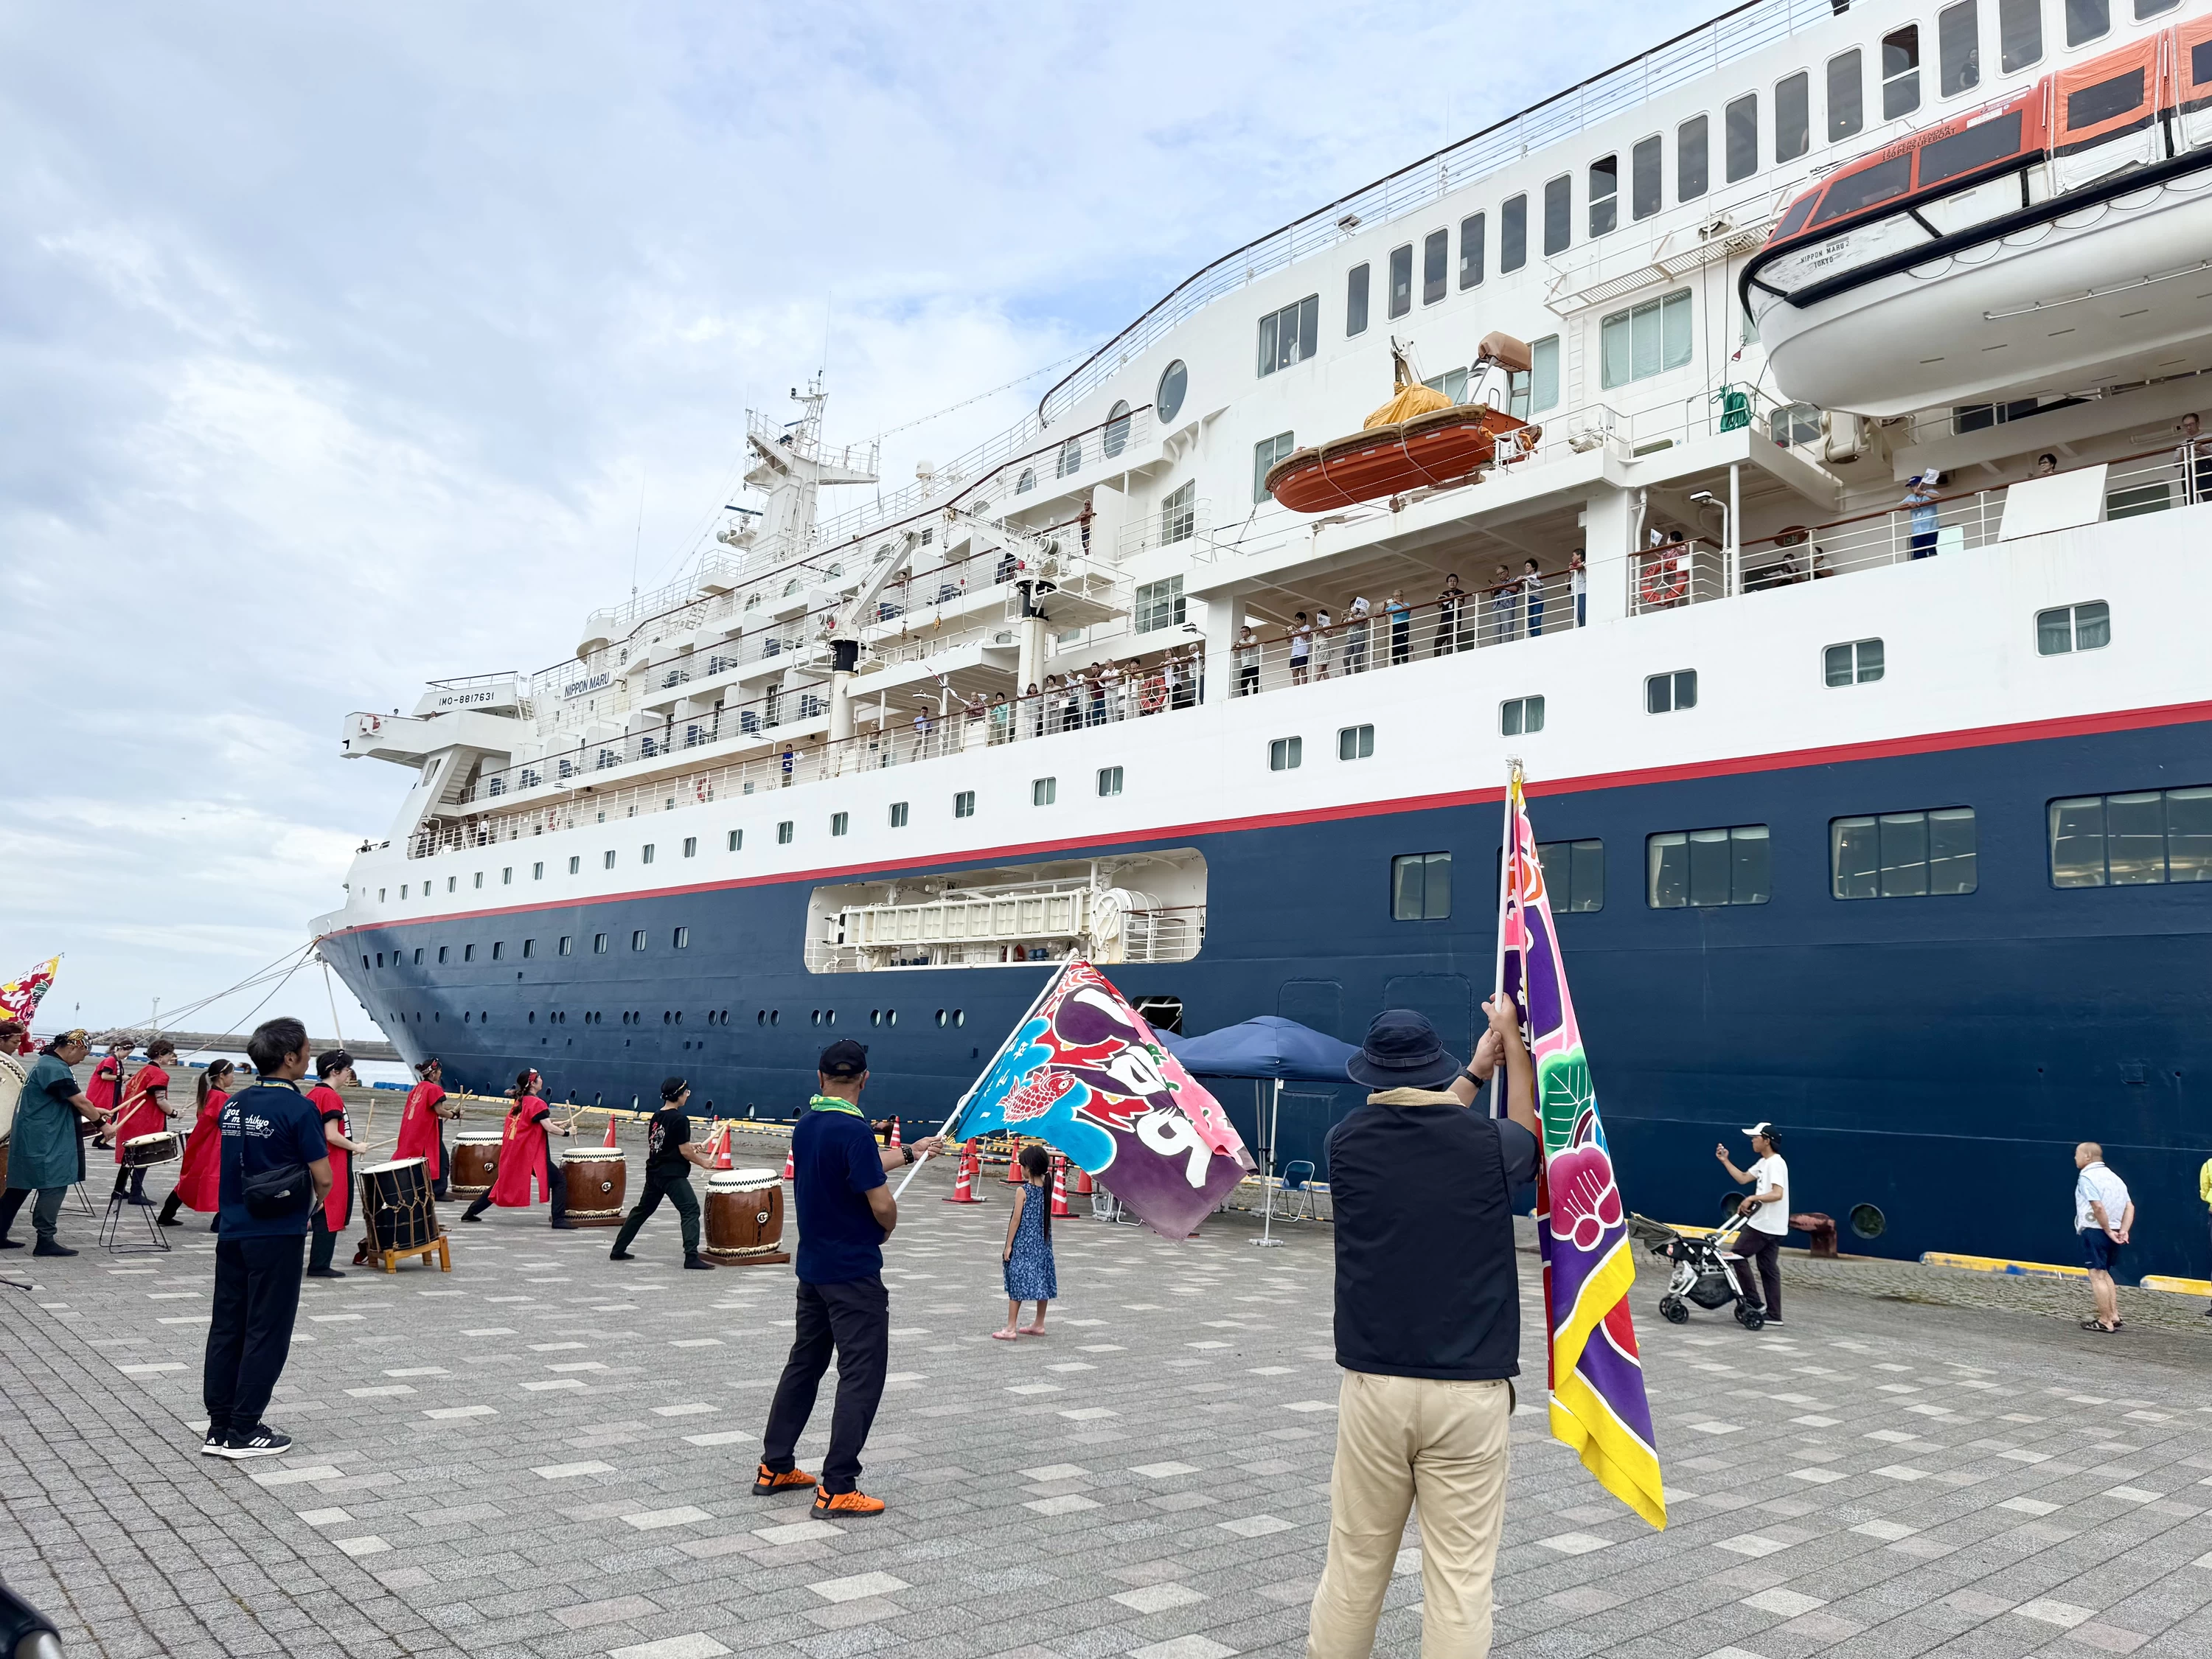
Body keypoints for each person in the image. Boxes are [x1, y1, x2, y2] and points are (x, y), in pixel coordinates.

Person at [1307, 997, 1538, 1659]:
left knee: (1354, 1567)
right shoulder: (1490, 1148)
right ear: (1436, 1068)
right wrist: (1509, 1045)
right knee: (1461, 1579)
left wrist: (1475, 1074)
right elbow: (1519, 1134)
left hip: (1376, 1385)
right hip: (1469, 1391)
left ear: (1369, 1076)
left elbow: (1423, 1129)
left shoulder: (1343, 1144)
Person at [756, 1040, 942, 1517]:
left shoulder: (809, 1125)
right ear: (865, 1079)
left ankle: (774, 1465)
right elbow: (879, 1200)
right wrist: (887, 1224)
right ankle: (838, 1485)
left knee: (805, 1365)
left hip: (814, 1270)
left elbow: (850, 1168)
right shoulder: (856, 1130)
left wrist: (908, 1152)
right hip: (853, 1274)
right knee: (861, 1374)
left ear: (820, 1079)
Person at [202, 1017, 332, 1458]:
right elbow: (325, 1177)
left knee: (227, 1325)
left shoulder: (234, 1104)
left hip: (234, 1228)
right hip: (277, 1231)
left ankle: (218, 1425)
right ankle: (243, 1430)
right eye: (307, 1049)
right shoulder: (300, 1108)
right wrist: (314, 1205)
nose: (310, 1055)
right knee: (267, 1328)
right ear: (291, 1057)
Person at [0, 1029, 108, 1255]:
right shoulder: (54, 1068)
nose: (82, 1060)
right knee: (53, 1185)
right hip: (45, 1140)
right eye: (83, 1054)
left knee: (19, 1187)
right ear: (73, 1047)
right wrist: (103, 1125)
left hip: (32, 1137)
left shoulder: (46, 1064)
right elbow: (79, 1101)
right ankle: (45, 1240)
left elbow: (59, 1099)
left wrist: (94, 1110)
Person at [610, 1076, 717, 1270]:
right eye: (686, 1093)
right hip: (672, 1174)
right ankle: (691, 1257)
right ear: (679, 1095)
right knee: (691, 1209)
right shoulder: (680, 1119)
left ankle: (618, 1249)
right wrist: (704, 1163)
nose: (687, 1096)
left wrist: (691, 1145)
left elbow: (663, 1143)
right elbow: (683, 1152)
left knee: (642, 1211)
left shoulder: (657, 1115)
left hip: (654, 1173)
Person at [462, 1069, 574, 1228]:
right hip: (530, 1156)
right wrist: (568, 1133)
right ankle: (559, 1219)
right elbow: (547, 1128)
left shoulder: (521, 1101)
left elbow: (531, 1124)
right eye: (539, 1078)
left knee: (501, 1184)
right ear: (533, 1084)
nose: (542, 1080)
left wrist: (555, 1124)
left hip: (516, 1153)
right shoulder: (537, 1103)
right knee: (559, 1181)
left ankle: (470, 1212)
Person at [1716, 1122, 1790, 1325]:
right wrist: (1725, 1161)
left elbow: (1778, 1193)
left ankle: (1754, 1304)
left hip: (1764, 1224)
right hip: (1775, 1226)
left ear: (1767, 1140)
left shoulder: (1775, 1163)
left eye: (1755, 1137)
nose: (1752, 1140)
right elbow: (1742, 1178)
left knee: (1735, 1255)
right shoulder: (1764, 1163)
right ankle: (1775, 1315)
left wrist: (1751, 1199)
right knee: (1768, 1269)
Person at [304, 1051, 368, 1277]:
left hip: (316, 1159)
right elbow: (331, 1134)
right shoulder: (330, 1097)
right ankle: (319, 1265)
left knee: (318, 1209)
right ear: (335, 1071)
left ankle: (317, 1263)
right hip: (331, 1162)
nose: (350, 1073)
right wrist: (356, 1147)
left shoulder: (313, 1093)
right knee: (328, 1212)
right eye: (348, 1069)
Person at [993, 1144, 1058, 1340]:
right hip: (1043, 1244)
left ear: (1028, 1167)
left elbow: (1016, 1220)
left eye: (1022, 1165)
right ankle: (1039, 1323)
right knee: (1043, 1279)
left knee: (1017, 1280)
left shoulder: (1023, 1190)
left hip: (1023, 1244)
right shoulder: (1048, 1187)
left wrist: (1008, 1245)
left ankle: (1010, 1327)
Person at [159, 1059, 233, 1229]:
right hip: (214, 1145)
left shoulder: (209, 1095)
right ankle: (219, 1223)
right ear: (222, 1076)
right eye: (232, 1074)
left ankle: (166, 1214)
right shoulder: (221, 1098)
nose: (233, 1078)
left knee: (188, 1181)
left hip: (202, 1144)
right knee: (229, 1182)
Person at [111, 1037, 181, 1206]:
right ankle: (135, 1193)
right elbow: (161, 1100)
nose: (171, 1058)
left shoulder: (143, 1071)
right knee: (143, 1157)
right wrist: (174, 1113)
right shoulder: (160, 1075)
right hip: (144, 1121)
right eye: (169, 1054)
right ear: (160, 1054)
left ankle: (118, 1190)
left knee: (129, 1156)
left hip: (130, 1118)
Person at [2074, 1142, 2133, 1335]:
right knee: (2106, 1273)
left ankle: (2105, 1320)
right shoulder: (2115, 1178)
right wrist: (2123, 1230)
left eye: (2077, 1154)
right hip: (2115, 1230)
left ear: (2088, 1157)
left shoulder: (2087, 1177)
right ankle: (2114, 1315)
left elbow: (2097, 1206)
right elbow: (2130, 1207)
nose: (2075, 1158)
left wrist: (2107, 1230)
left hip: (2095, 1229)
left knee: (2096, 1275)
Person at [394, 1056, 459, 1200]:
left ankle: (427, 1189)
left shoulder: (418, 1088)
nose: (440, 1074)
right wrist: (454, 1115)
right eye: (439, 1071)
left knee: (429, 1159)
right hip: (427, 1132)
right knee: (441, 1159)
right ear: (433, 1073)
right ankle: (438, 1191)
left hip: (417, 1129)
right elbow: (439, 1110)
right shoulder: (434, 1089)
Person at [1902, 471, 1941, 559]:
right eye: (1911, 486)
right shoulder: (1910, 497)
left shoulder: (1930, 492)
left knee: (1931, 551)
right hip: (1917, 531)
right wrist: (1909, 503)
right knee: (1919, 554)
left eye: (1915, 485)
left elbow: (1938, 497)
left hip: (1931, 528)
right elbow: (1900, 506)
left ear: (1921, 484)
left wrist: (1922, 493)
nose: (1913, 488)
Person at [2177, 414, 2212, 504]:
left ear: (2198, 423)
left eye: (2191, 424)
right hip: (2188, 469)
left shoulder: (2209, 437)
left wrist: (2200, 448)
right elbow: (2176, 463)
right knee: (2190, 499)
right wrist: (2184, 451)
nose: (2189, 428)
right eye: (2186, 426)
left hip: (2206, 466)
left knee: (2209, 496)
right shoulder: (2182, 444)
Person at [1486, 563, 1518, 644]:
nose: (1499, 576)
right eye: (1498, 575)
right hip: (1496, 607)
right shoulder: (1499, 584)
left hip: (1507, 606)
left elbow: (1515, 588)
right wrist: (1492, 590)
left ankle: (1509, 646)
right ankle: (1497, 647)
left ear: (1506, 572)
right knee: (1495, 630)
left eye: (1501, 573)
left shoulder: (1513, 580)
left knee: (1508, 628)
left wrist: (1502, 586)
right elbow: (1493, 599)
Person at [1433, 578, 1464, 658]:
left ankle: (1451, 658)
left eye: (1454, 581)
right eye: (1450, 581)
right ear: (1447, 583)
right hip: (1444, 619)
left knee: (1452, 640)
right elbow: (1439, 605)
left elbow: (1461, 604)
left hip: (1454, 618)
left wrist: (1454, 598)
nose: (1452, 583)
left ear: (1457, 582)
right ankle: (1437, 659)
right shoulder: (1444, 593)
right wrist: (1437, 600)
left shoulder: (1460, 592)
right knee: (1438, 641)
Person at [1385, 588, 1412, 665]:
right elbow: (1382, 612)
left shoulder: (1406, 604)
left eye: (1397, 596)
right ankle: (1396, 663)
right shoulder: (1392, 607)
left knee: (1402, 643)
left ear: (1401, 596)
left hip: (1403, 626)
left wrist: (1400, 603)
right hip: (1395, 627)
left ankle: (1405, 661)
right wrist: (1385, 604)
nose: (1395, 598)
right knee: (1395, 645)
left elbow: (1409, 610)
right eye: (1394, 596)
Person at [1345, 595, 1371, 675]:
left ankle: (1357, 674)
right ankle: (1348, 675)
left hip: (1359, 637)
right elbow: (1342, 625)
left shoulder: (1362, 614)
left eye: (1354, 606)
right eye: (1351, 606)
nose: (1353, 607)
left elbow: (1364, 621)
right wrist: (1343, 617)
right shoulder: (1349, 617)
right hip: (1349, 639)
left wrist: (1354, 617)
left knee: (1356, 657)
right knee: (1346, 658)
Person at [1520, 559, 1545, 638]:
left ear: (1533, 567)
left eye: (1528, 566)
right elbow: (1523, 588)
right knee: (1530, 621)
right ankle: (1533, 637)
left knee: (1536, 620)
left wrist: (1525, 579)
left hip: (1537, 598)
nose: (1526, 568)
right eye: (1525, 566)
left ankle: (1537, 637)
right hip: (1529, 599)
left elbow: (1536, 582)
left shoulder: (1538, 575)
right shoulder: (1526, 578)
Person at [1235, 626, 1260, 697]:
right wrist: (1235, 644)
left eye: (1243, 631)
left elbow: (1251, 644)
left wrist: (1240, 644)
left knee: (1255, 683)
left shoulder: (1254, 637)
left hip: (1254, 664)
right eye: (1241, 632)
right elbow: (1235, 648)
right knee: (1244, 684)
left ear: (1248, 632)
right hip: (1245, 665)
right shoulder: (1241, 641)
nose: (1241, 633)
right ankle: (1245, 698)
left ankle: (1256, 697)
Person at [1290, 613, 1312, 685]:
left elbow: (1305, 636)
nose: (1297, 622)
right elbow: (1289, 640)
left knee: (1303, 670)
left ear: (1303, 619)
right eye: (1296, 620)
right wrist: (1288, 633)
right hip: (1294, 653)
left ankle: (1304, 686)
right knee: (1294, 672)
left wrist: (1297, 630)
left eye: (1298, 620)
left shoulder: (1307, 627)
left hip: (1302, 652)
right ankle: (1296, 687)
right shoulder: (1296, 630)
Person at [1314, 608, 1334, 679]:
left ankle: (1316, 681)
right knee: (1324, 668)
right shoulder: (1319, 625)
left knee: (1321, 666)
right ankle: (1327, 682)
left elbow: (1329, 635)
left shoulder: (1328, 624)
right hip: (1318, 646)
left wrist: (1321, 630)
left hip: (1324, 645)